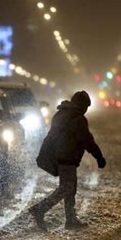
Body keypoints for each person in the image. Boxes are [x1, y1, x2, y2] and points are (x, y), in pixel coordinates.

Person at [29, 91, 106, 231]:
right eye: (85, 106)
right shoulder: (78, 118)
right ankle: (40, 209)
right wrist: (99, 157)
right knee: (67, 188)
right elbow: (87, 140)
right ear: (81, 105)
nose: (86, 110)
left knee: (70, 188)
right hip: (67, 156)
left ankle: (71, 219)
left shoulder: (61, 114)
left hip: (60, 155)